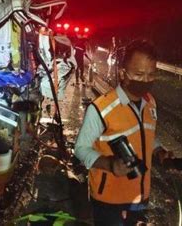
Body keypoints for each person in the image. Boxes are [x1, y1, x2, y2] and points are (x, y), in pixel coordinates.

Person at [74, 39, 173, 225]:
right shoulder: (101, 108)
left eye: (151, 75)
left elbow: (147, 134)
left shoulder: (150, 102)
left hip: (140, 195)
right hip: (109, 200)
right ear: (122, 73)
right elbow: (80, 149)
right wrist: (109, 164)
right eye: (139, 74)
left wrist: (158, 150)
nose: (145, 81)